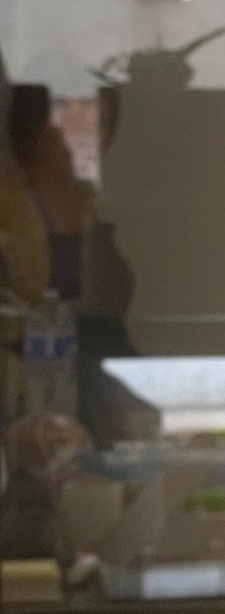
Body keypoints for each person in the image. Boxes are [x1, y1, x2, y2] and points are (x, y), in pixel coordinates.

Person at [0, 83, 153, 446]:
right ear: (35, 125)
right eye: (70, 108)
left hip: (93, 384)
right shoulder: (8, 207)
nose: (90, 126)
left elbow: (108, 316)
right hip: (28, 402)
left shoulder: (92, 206)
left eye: (98, 113)